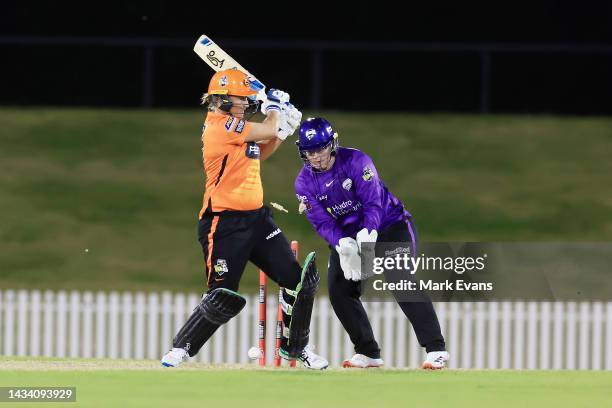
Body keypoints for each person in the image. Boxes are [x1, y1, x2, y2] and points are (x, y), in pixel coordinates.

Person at [161, 69, 328, 369]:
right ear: (223, 100)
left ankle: (297, 349)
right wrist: (275, 110)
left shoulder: (237, 127)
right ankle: (181, 349)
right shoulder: (219, 126)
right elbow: (264, 130)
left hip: (258, 220)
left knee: (300, 282)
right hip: (224, 223)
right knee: (222, 296)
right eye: (242, 99)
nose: (247, 103)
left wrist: (282, 129)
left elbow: (260, 150)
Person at [294, 117, 449, 369]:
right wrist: (342, 243)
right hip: (350, 238)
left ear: (332, 144)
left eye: (321, 149)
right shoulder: (304, 183)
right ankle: (368, 353)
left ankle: (436, 350)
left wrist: (369, 232)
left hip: (390, 225)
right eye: (310, 152)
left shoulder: (357, 161)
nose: (317, 157)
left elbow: (373, 202)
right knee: (340, 291)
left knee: (400, 279)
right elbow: (322, 222)